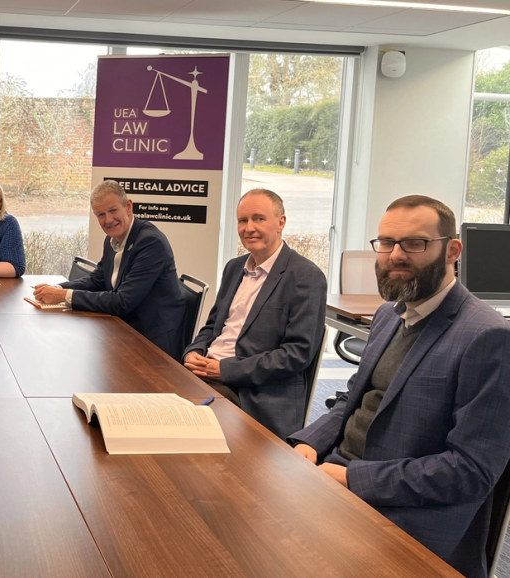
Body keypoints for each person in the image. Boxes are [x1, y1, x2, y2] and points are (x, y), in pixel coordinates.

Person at [289, 195, 510, 578]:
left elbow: (470, 471)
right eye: (387, 242)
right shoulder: (388, 315)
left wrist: (351, 478)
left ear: (452, 251)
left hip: (403, 515)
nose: (395, 255)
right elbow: (351, 399)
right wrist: (308, 443)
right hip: (335, 477)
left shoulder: (488, 337)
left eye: (415, 243)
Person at [182, 189, 326, 439]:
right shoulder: (234, 268)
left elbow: (296, 354)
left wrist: (225, 370)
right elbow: (213, 326)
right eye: (242, 220)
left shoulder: (306, 276)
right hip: (208, 373)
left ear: (281, 222)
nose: (249, 228)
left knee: (177, 422)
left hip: (254, 392)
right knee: (149, 394)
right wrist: (194, 351)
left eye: (259, 218)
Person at [33, 180, 186, 360]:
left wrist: (64, 296)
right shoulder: (112, 239)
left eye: (113, 210)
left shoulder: (150, 242)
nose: (108, 220)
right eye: (100, 214)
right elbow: (97, 280)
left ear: (128, 206)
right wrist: (58, 289)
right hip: (123, 330)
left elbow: (122, 301)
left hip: (152, 343)